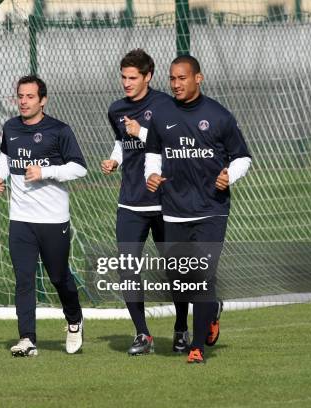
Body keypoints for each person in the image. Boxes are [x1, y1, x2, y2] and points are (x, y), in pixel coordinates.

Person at [145, 55, 252, 363]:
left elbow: (243, 157)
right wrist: (150, 175)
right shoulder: (162, 113)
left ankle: (197, 348)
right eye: (172, 79)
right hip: (174, 210)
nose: (176, 84)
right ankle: (213, 310)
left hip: (211, 210)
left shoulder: (218, 115)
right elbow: (153, 151)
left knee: (203, 276)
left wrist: (229, 174)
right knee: (179, 279)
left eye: (182, 78)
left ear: (198, 79)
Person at [0, 75, 87, 357]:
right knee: (24, 279)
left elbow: (80, 168)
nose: (24, 101)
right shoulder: (11, 127)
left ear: (43, 100)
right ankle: (27, 338)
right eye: (20, 96)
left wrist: (46, 171)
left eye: (30, 97)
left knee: (58, 276)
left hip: (53, 220)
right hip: (20, 219)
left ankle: (74, 319)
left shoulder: (59, 130)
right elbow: (6, 158)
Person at [101, 49, 191, 356]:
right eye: (123, 77)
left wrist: (142, 132)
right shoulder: (115, 109)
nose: (126, 83)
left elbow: (177, 144)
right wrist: (114, 160)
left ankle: (181, 329)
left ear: (148, 77)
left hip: (165, 201)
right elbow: (120, 142)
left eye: (133, 77)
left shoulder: (166, 105)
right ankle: (142, 333)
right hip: (130, 202)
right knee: (127, 267)